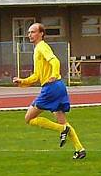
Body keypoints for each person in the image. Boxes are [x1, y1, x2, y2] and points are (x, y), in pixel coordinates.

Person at [12, 22, 85, 160]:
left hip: (51, 88)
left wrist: (54, 74)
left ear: (41, 34)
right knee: (62, 120)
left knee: (29, 118)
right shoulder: (38, 49)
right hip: (58, 87)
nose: (29, 35)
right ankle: (79, 149)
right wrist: (23, 81)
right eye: (29, 32)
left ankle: (61, 130)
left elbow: (55, 61)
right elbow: (37, 76)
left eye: (33, 32)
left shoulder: (42, 47)